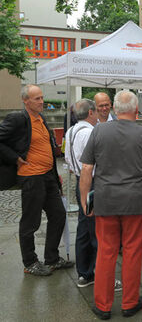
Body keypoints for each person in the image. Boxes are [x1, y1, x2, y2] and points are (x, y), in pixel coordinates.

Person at [80, 90, 142, 320]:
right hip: (136, 202)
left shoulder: (98, 130)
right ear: (136, 110)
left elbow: (87, 169)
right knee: (132, 252)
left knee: (106, 252)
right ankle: (129, 303)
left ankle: (103, 305)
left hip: (106, 200)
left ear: (115, 110)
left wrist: (83, 200)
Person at [0, 84, 74, 276]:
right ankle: (30, 262)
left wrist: (55, 175)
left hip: (48, 176)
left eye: (42, 98)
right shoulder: (18, 118)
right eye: (37, 99)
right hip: (31, 177)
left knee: (58, 215)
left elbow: (47, 147)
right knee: (30, 222)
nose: (42, 101)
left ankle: (52, 258)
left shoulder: (40, 117)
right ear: (26, 101)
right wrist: (15, 157)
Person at [65, 99, 98, 288]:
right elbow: (94, 164)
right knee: (95, 230)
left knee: (84, 227)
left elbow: (69, 160)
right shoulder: (89, 133)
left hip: (80, 181)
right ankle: (96, 272)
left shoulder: (71, 131)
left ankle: (84, 273)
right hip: (91, 183)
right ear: (91, 113)